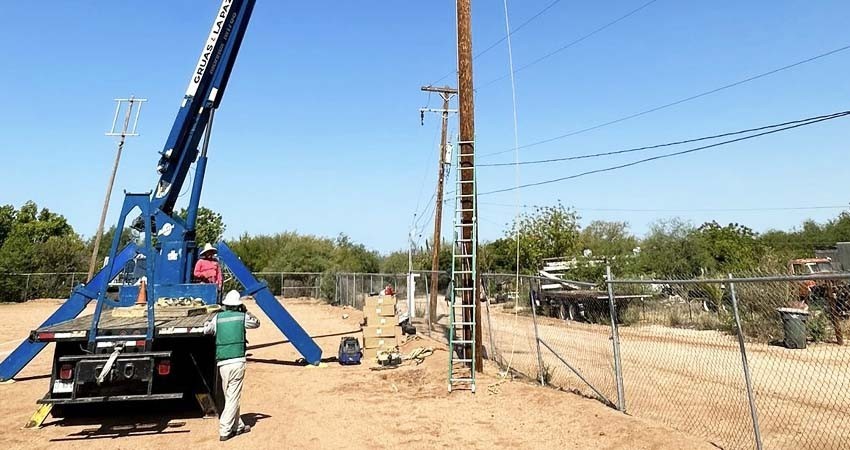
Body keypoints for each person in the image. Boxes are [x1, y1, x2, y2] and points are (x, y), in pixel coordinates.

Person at [203, 290, 261, 442]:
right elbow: (256, 323)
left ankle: (238, 426)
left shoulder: (218, 318)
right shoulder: (242, 317)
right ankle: (225, 429)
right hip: (237, 361)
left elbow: (207, 330)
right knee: (233, 397)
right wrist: (246, 310)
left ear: (226, 305)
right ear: (238, 305)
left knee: (230, 395)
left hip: (223, 362)